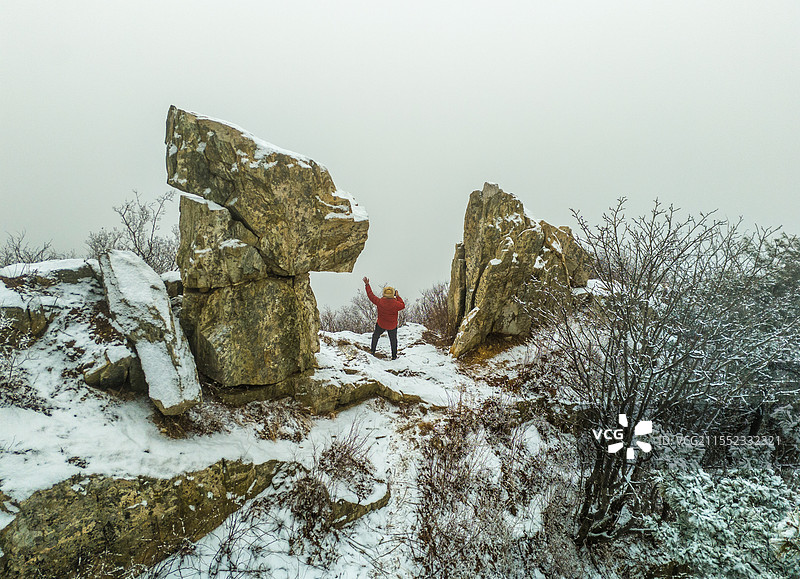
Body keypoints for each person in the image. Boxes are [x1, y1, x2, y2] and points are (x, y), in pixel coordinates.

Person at [363, 276, 405, 359]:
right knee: (393, 340)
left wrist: (367, 285)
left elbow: (370, 295)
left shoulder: (380, 302)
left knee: (375, 336)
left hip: (381, 324)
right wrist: (398, 296)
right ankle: (394, 356)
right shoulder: (396, 304)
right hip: (392, 326)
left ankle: (372, 351)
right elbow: (403, 305)